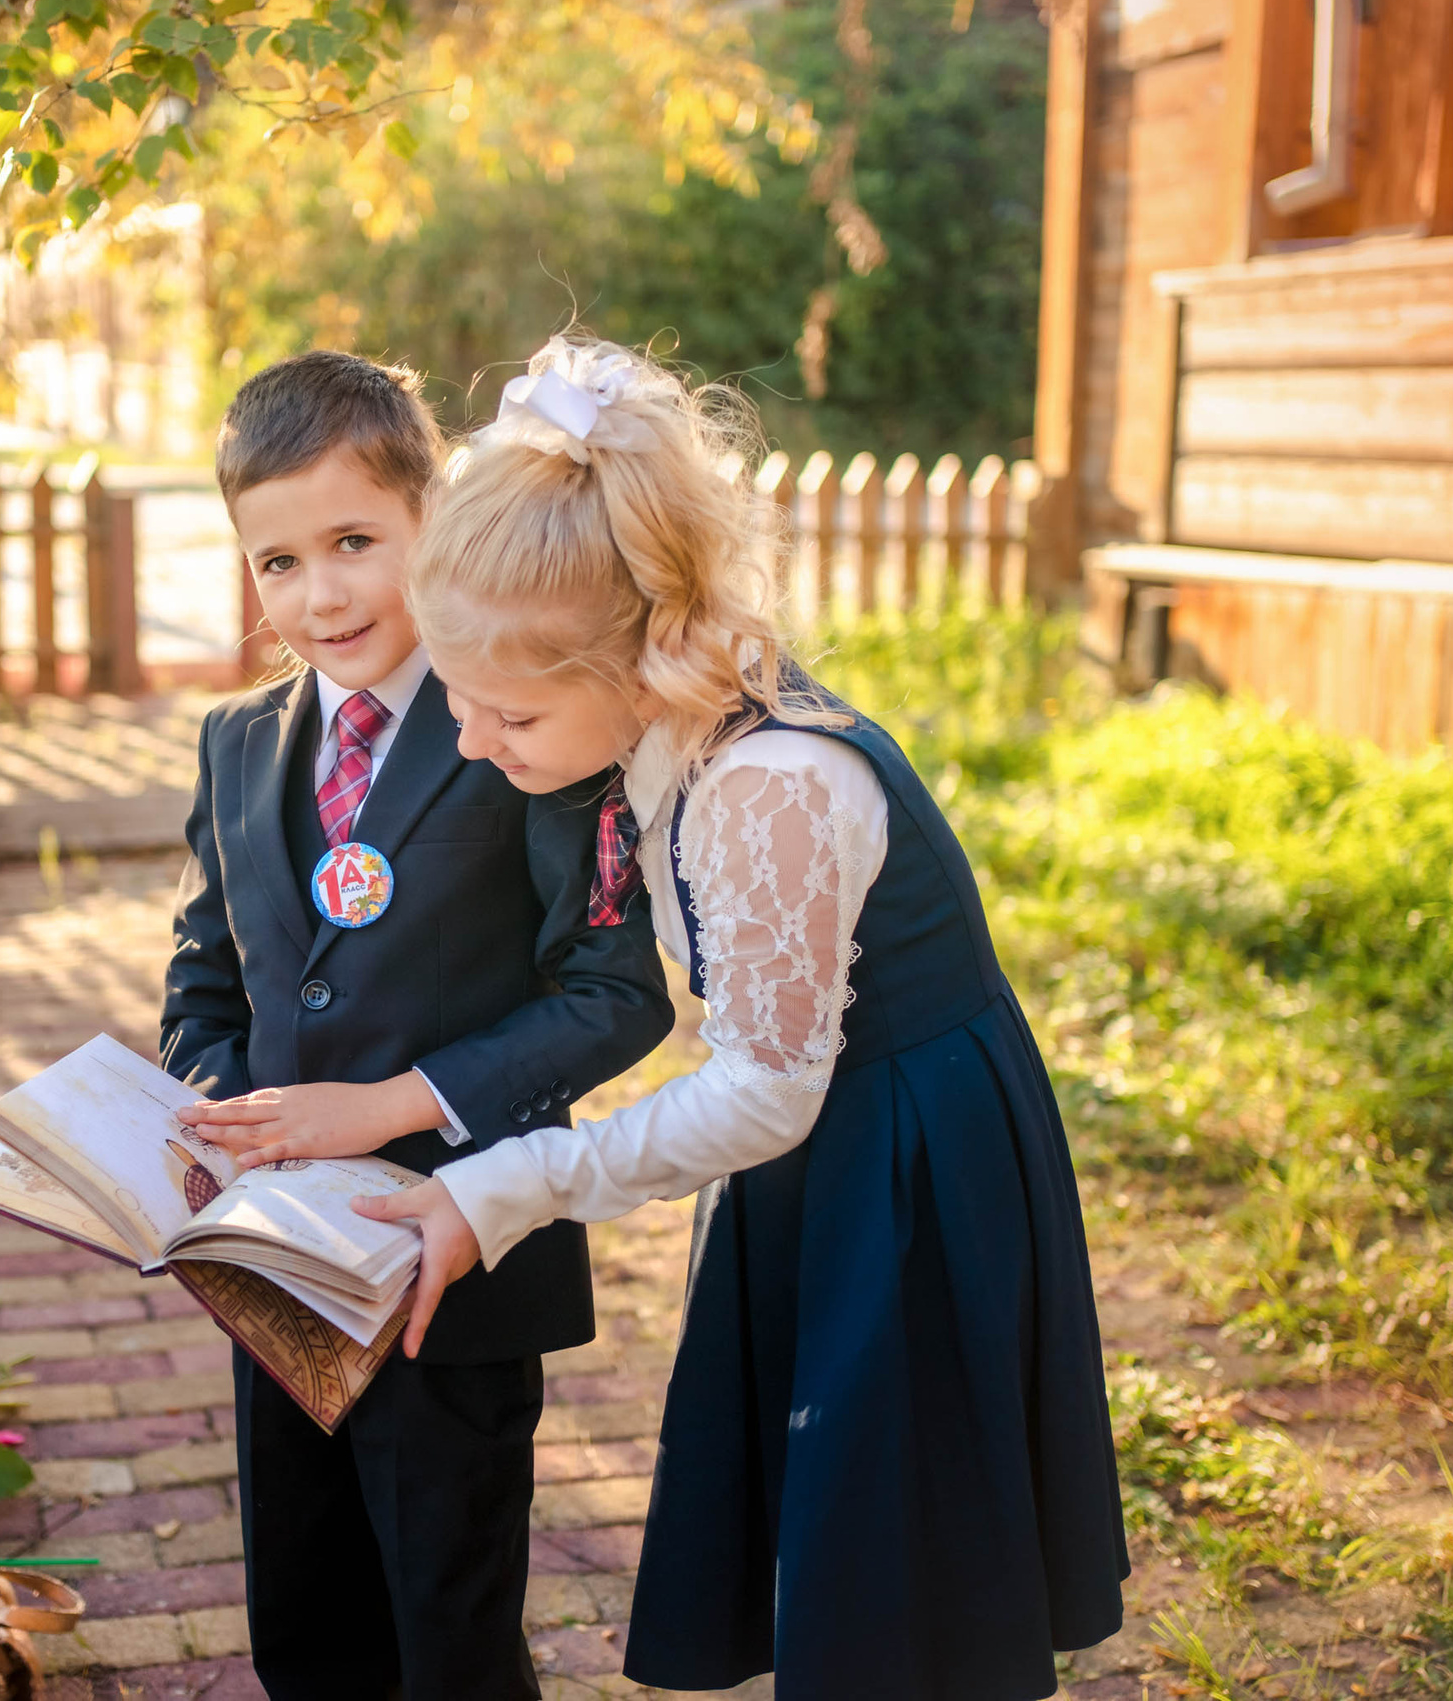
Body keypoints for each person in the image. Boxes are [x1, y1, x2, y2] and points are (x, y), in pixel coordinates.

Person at [222, 336, 1130, 1699]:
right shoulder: (665, 731)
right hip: (821, 1151)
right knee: (834, 1525)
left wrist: (507, 1187)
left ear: (637, 652)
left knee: (900, 1538)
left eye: (506, 710)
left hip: (899, 1164)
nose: (468, 741)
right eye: (456, 698)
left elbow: (764, 1086)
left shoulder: (766, 787)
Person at [159, 350, 677, 1701]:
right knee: (306, 1622)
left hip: (459, 1271)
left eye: (352, 543)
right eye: (276, 562)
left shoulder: (524, 725)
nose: (319, 593)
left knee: (447, 1635)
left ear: (430, 523)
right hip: (275, 1271)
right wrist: (219, 1109)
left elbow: (617, 991)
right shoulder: (235, 744)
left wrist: (390, 1107)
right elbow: (207, 973)